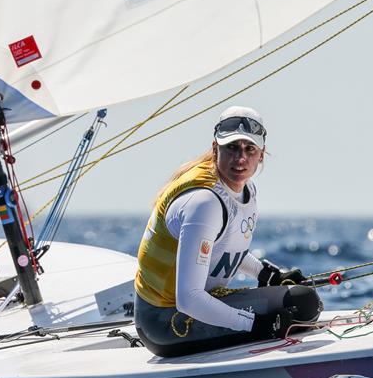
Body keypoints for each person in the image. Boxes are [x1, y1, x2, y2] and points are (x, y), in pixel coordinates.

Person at [133, 106, 322, 357]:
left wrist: (266, 273)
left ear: (261, 155)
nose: (240, 158)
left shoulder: (245, 190)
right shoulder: (204, 203)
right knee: (300, 305)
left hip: (195, 305)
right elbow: (188, 299)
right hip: (163, 322)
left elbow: (222, 246)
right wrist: (257, 326)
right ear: (215, 149)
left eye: (249, 149)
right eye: (231, 148)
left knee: (303, 301)